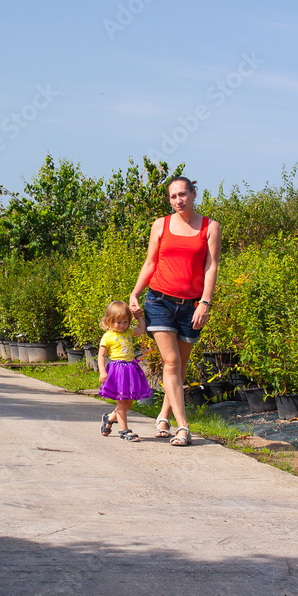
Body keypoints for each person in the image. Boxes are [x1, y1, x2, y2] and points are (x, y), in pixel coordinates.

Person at [128, 177, 221, 446]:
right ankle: (183, 427)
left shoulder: (210, 227)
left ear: (193, 194)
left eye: (182, 194)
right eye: (173, 197)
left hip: (191, 306)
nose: (178, 201)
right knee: (170, 362)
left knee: (179, 369)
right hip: (159, 301)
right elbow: (150, 262)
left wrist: (205, 302)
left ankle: (163, 415)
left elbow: (211, 266)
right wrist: (135, 292)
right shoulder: (161, 225)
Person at [97, 300, 153, 442]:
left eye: (125, 322)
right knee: (122, 402)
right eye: (118, 322)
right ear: (109, 321)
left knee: (128, 403)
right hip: (117, 371)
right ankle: (124, 431)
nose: (122, 325)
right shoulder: (107, 336)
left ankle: (109, 418)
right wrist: (102, 372)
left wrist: (139, 317)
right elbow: (101, 355)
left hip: (130, 370)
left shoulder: (128, 331)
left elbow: (142, 329)